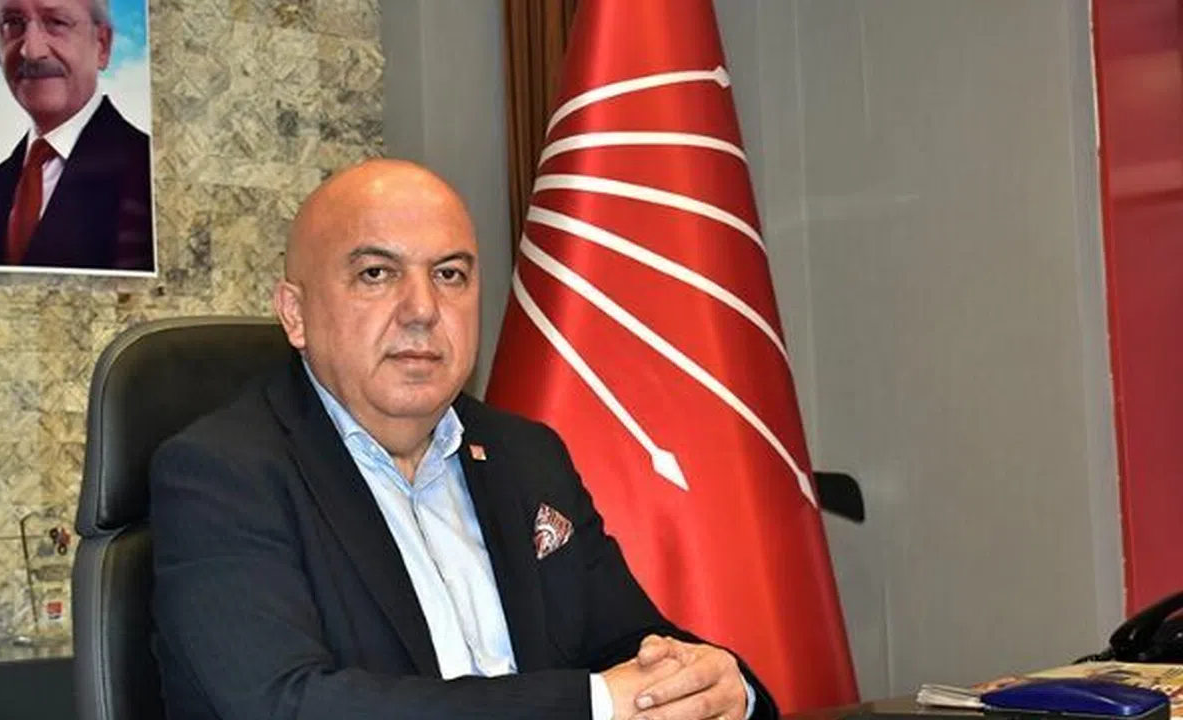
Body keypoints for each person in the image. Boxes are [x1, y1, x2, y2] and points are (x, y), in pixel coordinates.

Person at [150, 159, 778, 720]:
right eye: (376, 273)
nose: (422, 309)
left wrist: (719, 687)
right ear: (295, 314)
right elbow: (286, 704)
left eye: (449, 275)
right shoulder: (222, 475)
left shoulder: (526, 456)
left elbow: (630, 645)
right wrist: (590, 706)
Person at [0, 0, 153, 271]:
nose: (32, 51)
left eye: (57, 22)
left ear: (102, 45)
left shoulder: (151, 174)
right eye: (13, 23)